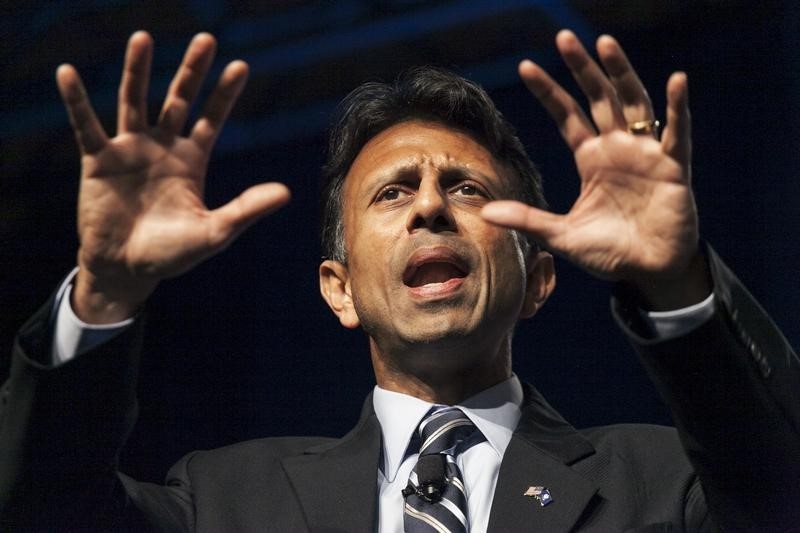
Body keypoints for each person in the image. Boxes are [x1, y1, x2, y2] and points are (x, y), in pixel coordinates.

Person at [1, 28, 798, 532]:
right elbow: (41, 511)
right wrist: (105, 297)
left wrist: (678, 287)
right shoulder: (223, 501)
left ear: (539, 279)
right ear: (337, 289)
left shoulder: (665, 484)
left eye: (467, 187)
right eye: (392, 191)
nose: (428, 206)